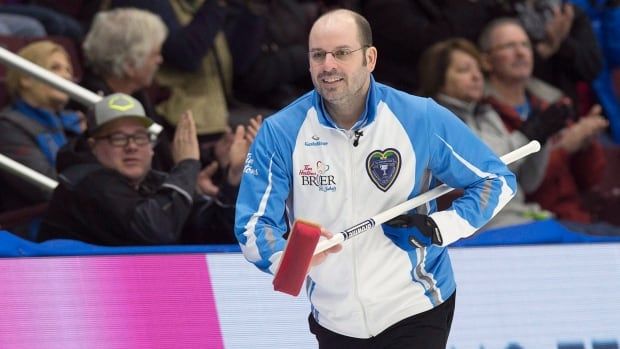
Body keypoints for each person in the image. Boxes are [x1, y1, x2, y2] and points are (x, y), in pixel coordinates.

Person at [235, 9, 517, 348]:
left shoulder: (419, 117)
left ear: (369, 58)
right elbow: (253, 224)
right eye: (318, 55)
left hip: (416, 307)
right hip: (334, 319)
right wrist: (288, 258)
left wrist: (439, 228)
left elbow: (496, 181)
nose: (328, 65)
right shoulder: (280, 132)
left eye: (341, 53)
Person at [38, 93, 257, 246]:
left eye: (140, 137)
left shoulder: (153, 183)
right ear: (94, 146)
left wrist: (235, 178)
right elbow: (156, 231)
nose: (131, 146)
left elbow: (213, 232)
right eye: (118, 138)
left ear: (151, 148)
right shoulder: (85, 184)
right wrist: (187, 166)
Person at [479, 17, 609, 224]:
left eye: (525, 45)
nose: (521, 53)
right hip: (529, 221)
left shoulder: (553, 102)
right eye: (509, 46)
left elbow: (590, 180)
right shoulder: (480, 112)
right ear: (486, 60)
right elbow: (522, 186)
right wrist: (564, 148)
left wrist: (587, 144)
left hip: (574, 217)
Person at [418, 38, 554, 230]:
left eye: (478, 70)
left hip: (519, 216)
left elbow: (529, 183)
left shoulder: (486, 113)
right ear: (438, 79)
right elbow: (483, 167)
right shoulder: (435, 121)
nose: (476, 76)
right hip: (483, 225)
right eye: (464, 70)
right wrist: (526, 136)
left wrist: (541, 139)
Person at [79, 7, 175, 172]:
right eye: (155, 54)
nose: (160, 60)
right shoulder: (91, 103)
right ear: (130, 63)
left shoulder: (138, 97)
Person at [0, 40, 83, 213]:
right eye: (55, 68)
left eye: (68, 70)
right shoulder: (8, 127)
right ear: (26, 78)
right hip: (33, 226)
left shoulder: (74, 123)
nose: (66, 76)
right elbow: (45, 188)